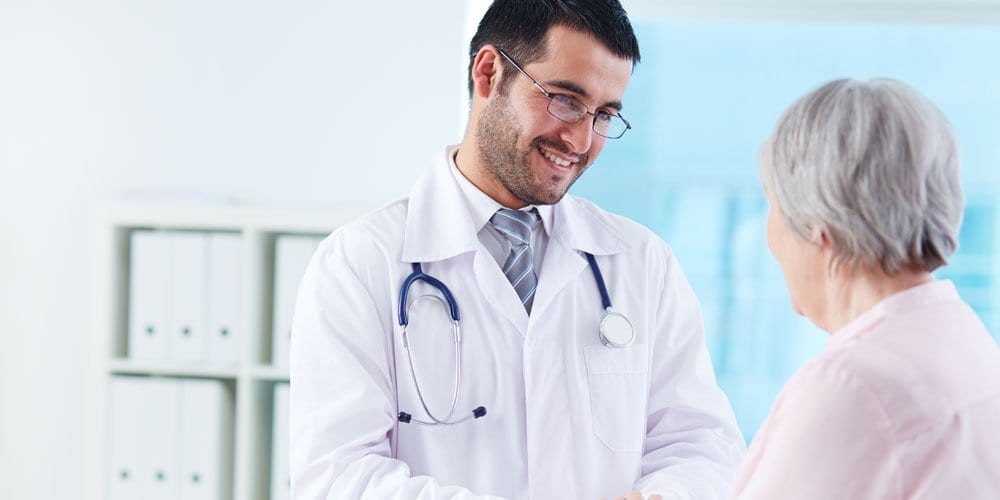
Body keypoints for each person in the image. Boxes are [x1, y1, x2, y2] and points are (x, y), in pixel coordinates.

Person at [289, 1, 746, 498]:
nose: (581, 139)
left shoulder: (641, 263)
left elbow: (702, 444)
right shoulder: (360, 264)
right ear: (488, 73)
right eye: (566, 100)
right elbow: (339, 476)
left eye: (604, 115)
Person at [732, 78, 1000, 499]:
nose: (768, 236)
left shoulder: (852, 386)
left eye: (773, 205)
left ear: (818, 221)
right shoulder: (969, 344)